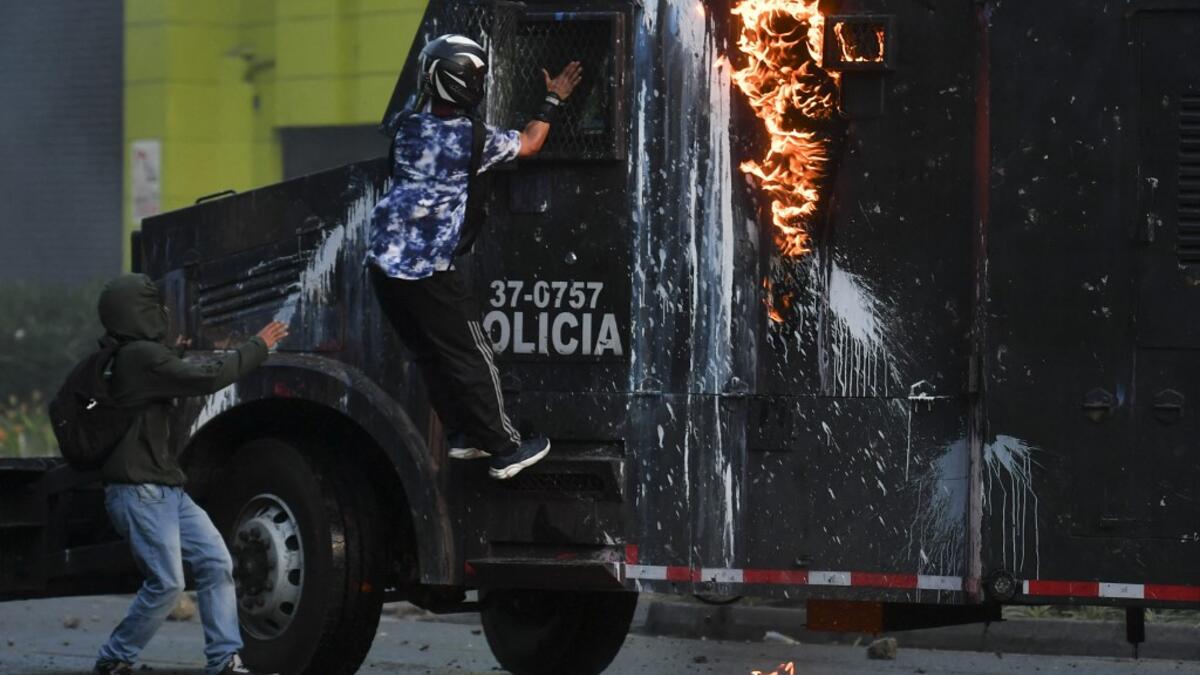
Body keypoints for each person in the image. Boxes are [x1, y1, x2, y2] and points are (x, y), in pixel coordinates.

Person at [367, 34, 583, 480]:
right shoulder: (473, 140)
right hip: (427, 271)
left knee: (430, 353)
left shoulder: (407, 126)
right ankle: (504, 448)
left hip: (383, 265)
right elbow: (530, 142)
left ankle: (464, 435)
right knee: (472, 354)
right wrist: (553, 98)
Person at [91, 274, 288, 675]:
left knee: (216, 563)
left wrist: (171, 354)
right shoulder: (137, 357)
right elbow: (208, 378)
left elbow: (164, 379)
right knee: (166, 584)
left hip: (166, 490)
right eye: (153, 306)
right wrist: (259, 346)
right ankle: (114, 657)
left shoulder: (133, 357)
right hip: (140, 491)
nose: (162, 313)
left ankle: (223, 660)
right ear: (138, 312)